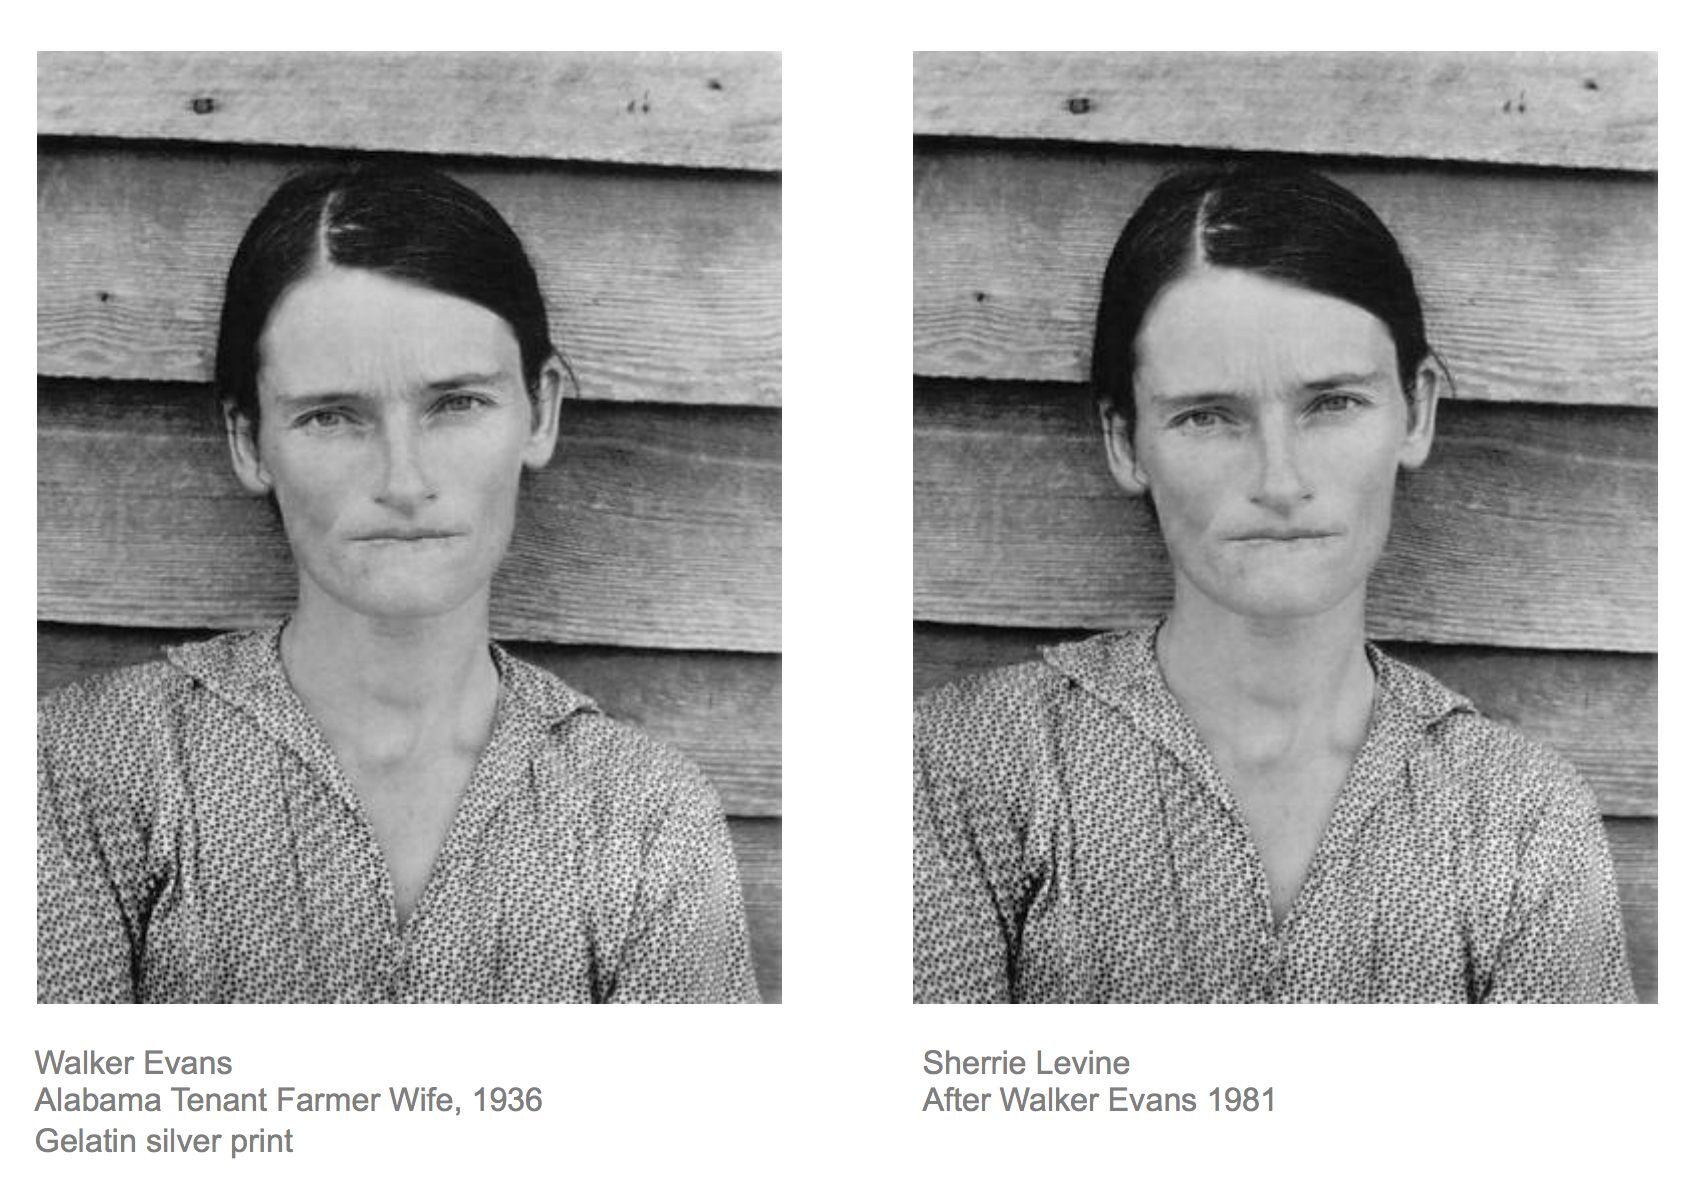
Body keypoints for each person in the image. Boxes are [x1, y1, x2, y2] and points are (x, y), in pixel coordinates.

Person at [912, 162, 1635, 1004]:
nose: (1280, 480)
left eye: (1331, 404)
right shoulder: (965, 769)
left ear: (1417, 410)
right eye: (1207, 416)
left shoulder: (1517, 817)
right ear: (1124, 441)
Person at [38, 163, 760, 1003]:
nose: (405, 480)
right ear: (249, 441)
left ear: (542, 410)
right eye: (331, 416)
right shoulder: (89, 769)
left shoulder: (641, 816)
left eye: (455, 404)